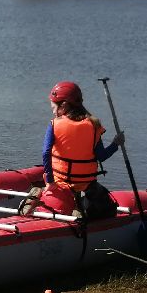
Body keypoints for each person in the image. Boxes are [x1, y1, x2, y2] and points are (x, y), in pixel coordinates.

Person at [33, 80, 125, 219]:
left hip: (59, 183)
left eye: (53, 107)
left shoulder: (54, 125)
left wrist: (50, 182)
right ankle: (81, 208)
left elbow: (46, 153)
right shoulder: (94, 125)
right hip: (86, 185)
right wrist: (115, 144)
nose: (52, 111)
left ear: (63, 105)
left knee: (45, 185)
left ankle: (39, 194)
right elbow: (101, 156)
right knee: (108, 208)